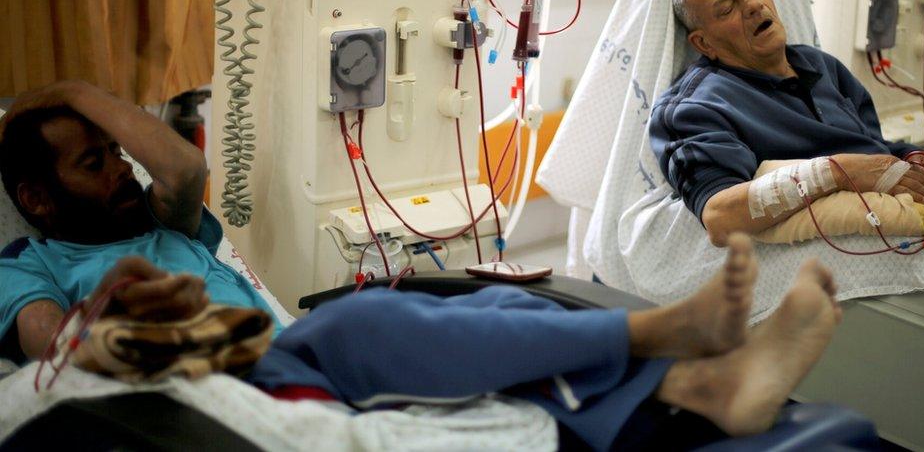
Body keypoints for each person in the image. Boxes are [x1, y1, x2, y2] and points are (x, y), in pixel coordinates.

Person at [0, 81, 842, 450]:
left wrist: (75, 90)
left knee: (489, 309)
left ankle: (702, 385)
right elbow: (52, 349)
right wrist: (112, 314)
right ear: (36, 200)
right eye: (91, 163)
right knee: (375, 318)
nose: (121, 172)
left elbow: (180, 168)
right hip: (223, 373)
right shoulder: (24, 266)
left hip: (280, 346)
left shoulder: (156, 213)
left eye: (114, 151)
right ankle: (669, 336)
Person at [652, 0, 924, 247]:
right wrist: (837, 172)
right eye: (728, 8)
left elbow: (871, 146)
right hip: (847, 249)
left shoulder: (820, 64)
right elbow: (719, 217)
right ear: (704, 43)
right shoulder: (695, 109)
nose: (754, 4)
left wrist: (911, 156)